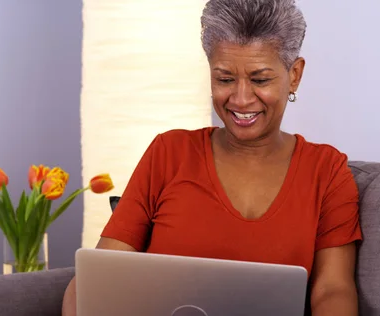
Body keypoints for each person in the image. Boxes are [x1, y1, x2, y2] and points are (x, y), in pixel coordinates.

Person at [62, 0, 362, 315]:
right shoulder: (169, 153)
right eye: (224, 79)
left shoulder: (327, 171)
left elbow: (333, 290)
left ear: (295, 75)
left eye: (260, 80)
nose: (241, 99)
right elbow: (99, 276)